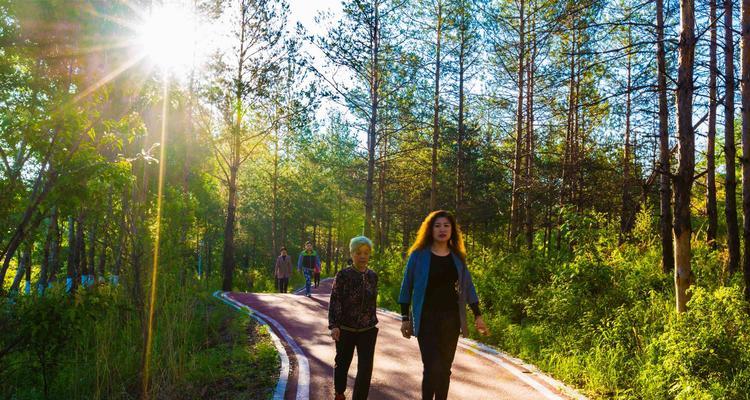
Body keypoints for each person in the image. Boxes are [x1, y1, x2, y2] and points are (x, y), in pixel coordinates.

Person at [398, 210, 489, 400]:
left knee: (445, 369)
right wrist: (405, 318)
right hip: (426, 318)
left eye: (446, 225)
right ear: (430, 230)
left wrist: (478, 315)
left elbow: (469, 287)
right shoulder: (418, 256)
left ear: (452, 230)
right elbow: (406, 286)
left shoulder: (457, 257)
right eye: (437, 225)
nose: (442, 229)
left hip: (451, 319)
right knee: (431, 367)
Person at [328, 236, 378, 400]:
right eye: (358, 253)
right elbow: (335, 299)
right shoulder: (343, 275)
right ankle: (340, 393)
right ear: (352, 253)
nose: (362, 256)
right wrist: (334, 325)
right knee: (342, 364)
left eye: (366, 253)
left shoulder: (373, 276)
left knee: (365, 369)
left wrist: (372, 320)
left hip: (368, 330)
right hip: (346, 329)